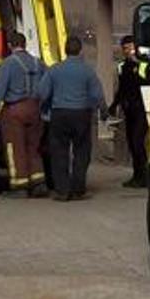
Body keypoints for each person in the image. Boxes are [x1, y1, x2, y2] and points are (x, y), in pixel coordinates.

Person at [38, 37, 105, 202]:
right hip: (82, 114)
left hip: (59, 114)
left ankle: (62, 190)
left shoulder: (54, 70)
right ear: (80, 50)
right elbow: (97, 94)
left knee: (59, 151)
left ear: (65, 50)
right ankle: (78, 189)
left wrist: (44, 109)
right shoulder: (88, 71)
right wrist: (103, 110)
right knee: (82, 151)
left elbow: (42, 93)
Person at [0, 32, 47, 197]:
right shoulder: (39, 63)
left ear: (9, 45)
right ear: (25, 44)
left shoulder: (8, 64)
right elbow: (48, 86)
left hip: (14, 111)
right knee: (33, 147)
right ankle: (38, 183)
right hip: (36, 109)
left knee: (15, 148)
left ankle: (19, 185)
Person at [109, 35, 150, 188]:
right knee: (132, 144)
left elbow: (149, 82)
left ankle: (145, 176)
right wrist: (114, 105)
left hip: (142, 109)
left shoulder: (145, 65)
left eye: (130, 48)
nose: (128, 51)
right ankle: (137, 175)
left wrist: (138, 64)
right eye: (125, 48)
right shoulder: (121, 66)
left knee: (138, 141)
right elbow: (121, 89)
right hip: (129, 110)